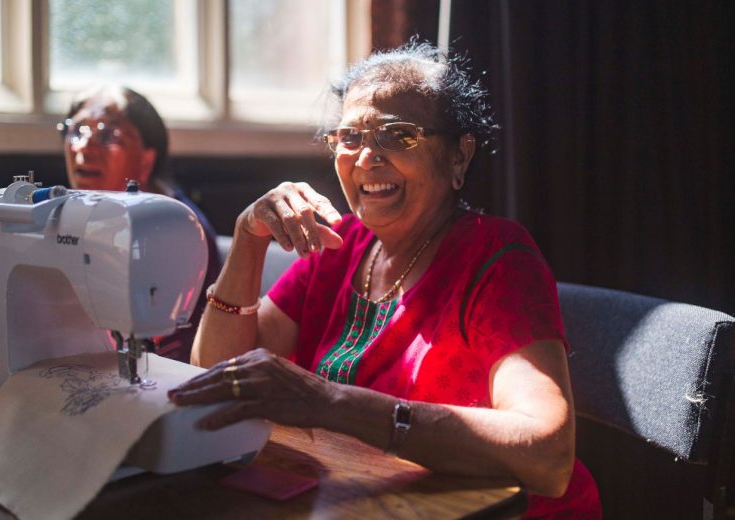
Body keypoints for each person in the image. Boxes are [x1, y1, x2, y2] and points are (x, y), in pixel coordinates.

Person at [168, 42, 601, 517]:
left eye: (398, 136)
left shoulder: (497, 258)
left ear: (458, 158)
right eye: (349, 137)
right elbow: (216, 372)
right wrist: (249, 236)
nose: (367, 156)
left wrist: (331, 401)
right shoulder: (341, 245)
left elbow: (547, 455)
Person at [58, 85, 222, 363]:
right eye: (77, 131)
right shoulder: (70, 214)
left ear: (147, 159)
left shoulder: (178, 228)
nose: (84, 146)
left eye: (108, 134)